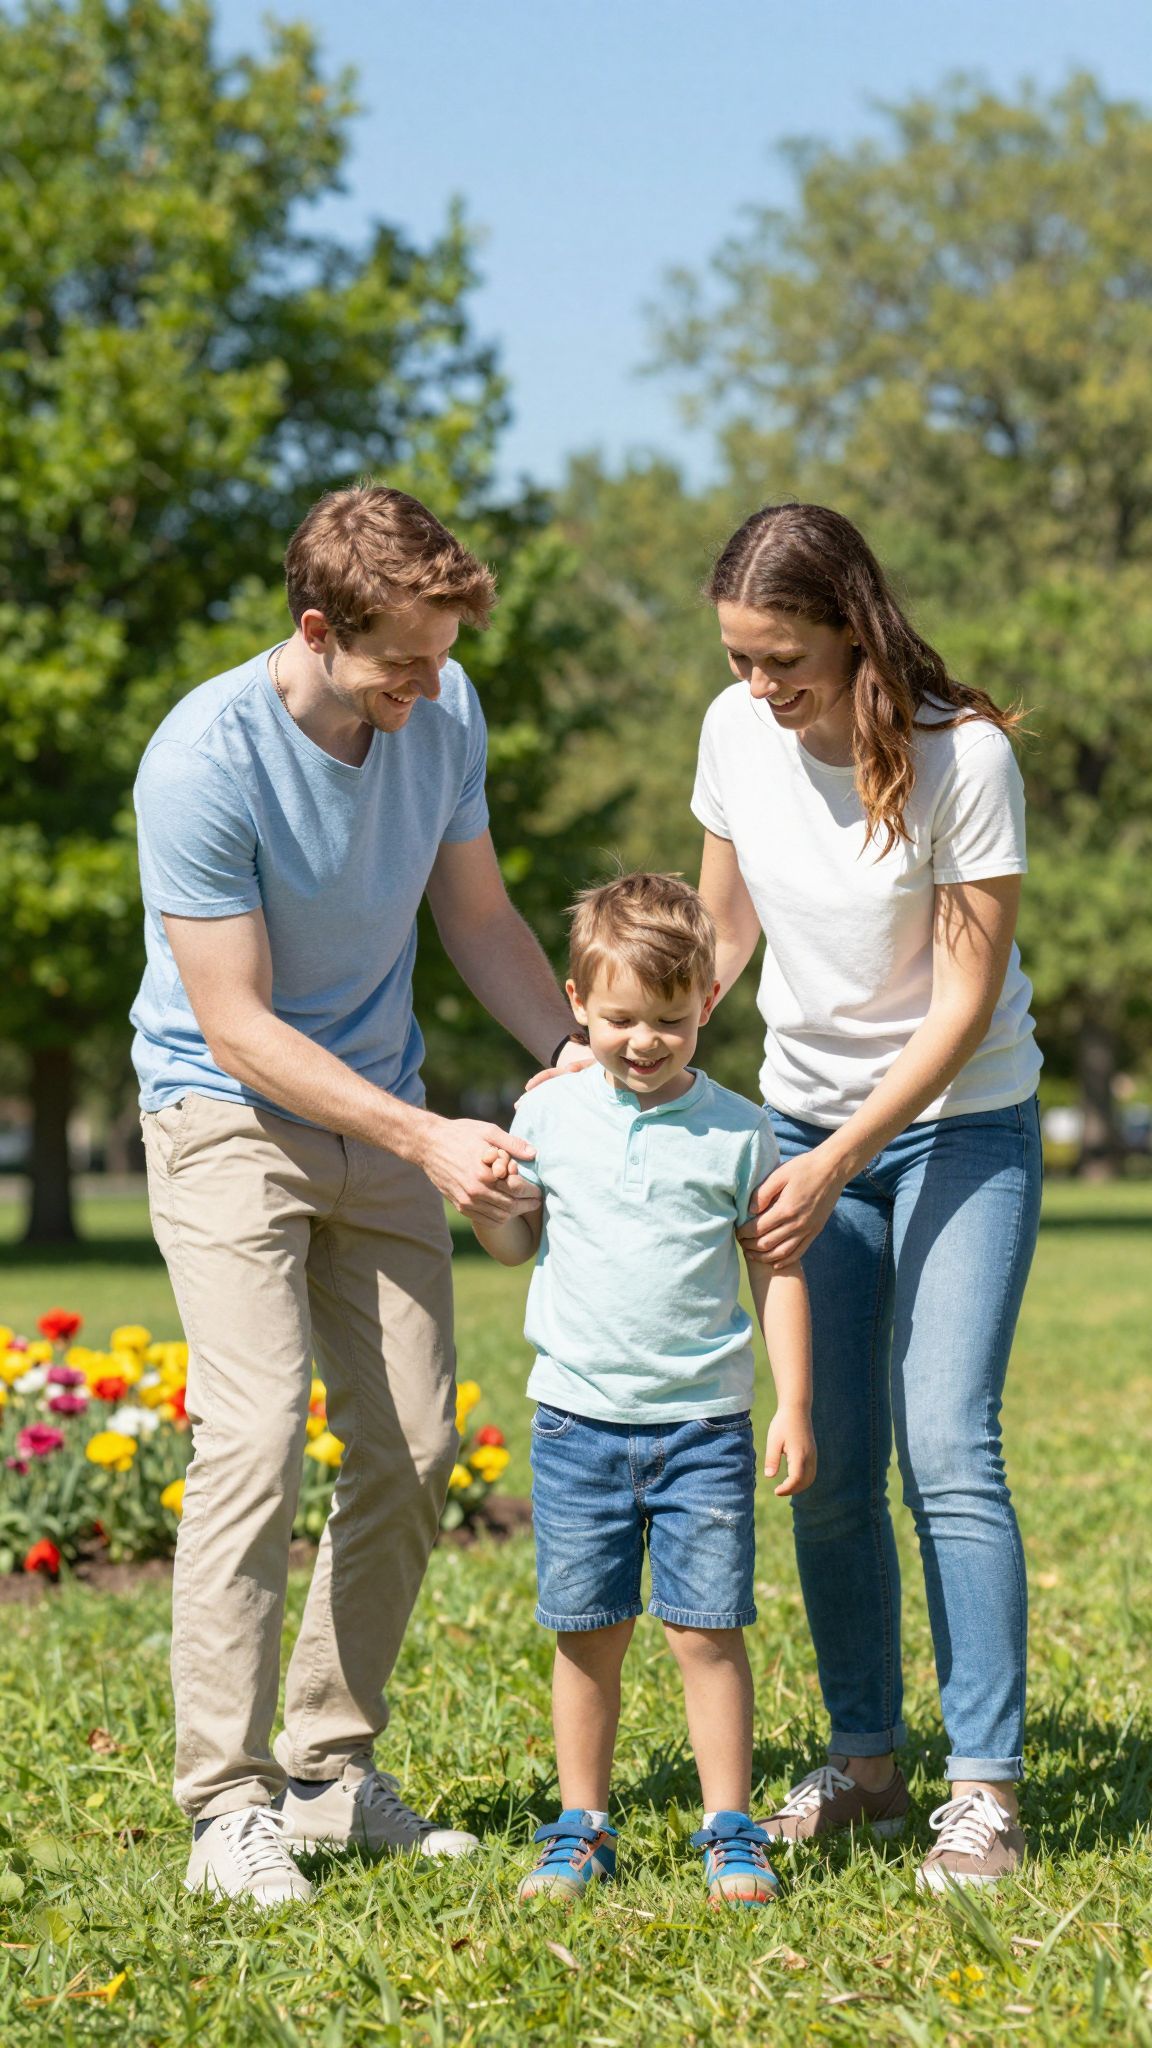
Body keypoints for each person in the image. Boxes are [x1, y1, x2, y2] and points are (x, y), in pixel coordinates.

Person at [131, 484, 581, 1906]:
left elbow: (480, 917)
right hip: (224, 1111)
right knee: (255, 1433)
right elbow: (241, 1022)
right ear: (317, 629)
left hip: (380, 1112)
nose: (429, 686)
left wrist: (568, 1060)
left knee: (414, 1443)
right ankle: (225, 1806)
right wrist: (431, 1139)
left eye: (445, 655)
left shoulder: (442, 719)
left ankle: (327, 1773)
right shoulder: (204, 759)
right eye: (404, 659)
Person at [692, 502, 1043, 1890]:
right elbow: (718, 932)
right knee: (828, 1460)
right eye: (738, 660)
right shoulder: (735, 737)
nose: (760, 690)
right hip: (802, 1118)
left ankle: (985, 1792)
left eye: (783, 659)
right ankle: (869, 1764)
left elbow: (962, 1006)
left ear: (854, 627)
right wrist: (614, 1054)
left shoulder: (968, 758)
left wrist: (838, 1156)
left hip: (959, 1126)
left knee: (947, 1440)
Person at [472, 872, 815, 1907]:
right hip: (577, 1422)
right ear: (576, 1001)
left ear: (708, 1002)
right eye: (621, 1017)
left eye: (671, 1018)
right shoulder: (551, 1113)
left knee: (707, 1630)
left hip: (703, 1427)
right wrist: (491, 1203)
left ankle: (730, 1824)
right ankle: (582, 1820)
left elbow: (776, 1267)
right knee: (588, 1631)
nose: (645, 1040)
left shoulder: (740, 1129)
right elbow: (512, 1241)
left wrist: (793, 1401)